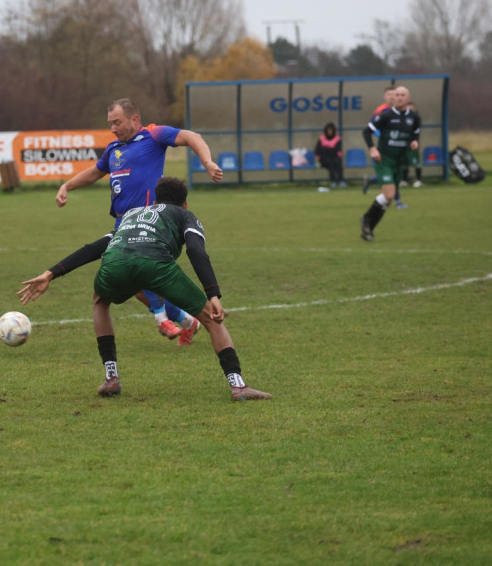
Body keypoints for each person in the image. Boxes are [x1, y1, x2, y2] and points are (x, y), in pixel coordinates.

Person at [18, 177, 272, 402]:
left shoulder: (132, 214)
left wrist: (52, 273)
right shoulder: (185, 215)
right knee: (211, 318)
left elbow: (96, 247)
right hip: (156, 265)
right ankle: (238, 386)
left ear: (156, 198)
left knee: (100, 301)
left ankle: (111, 377)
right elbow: (195, 250)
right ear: (184, 203)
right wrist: (213, 294)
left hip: (115, 263)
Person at [54, 98, 223, 346]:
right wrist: (67, 185)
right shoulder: (113, 149)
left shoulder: (153, 135)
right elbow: (95, 172)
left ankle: (163, 319)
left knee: (141, 276)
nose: (113, 128)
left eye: (117, 122)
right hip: (122, 226)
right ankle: (188, 321)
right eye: (110, 123)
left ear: (134, 119)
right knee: (134, 285)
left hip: (151, 225)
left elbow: (191, 137)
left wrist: (207, 161)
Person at [359, 86, 420, 242]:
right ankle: (366, 219)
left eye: (402, 95)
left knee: (388, 199)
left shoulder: (414, 117)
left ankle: (368, 228)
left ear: (408, 98)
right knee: (389, 195)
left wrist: (414, 142)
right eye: (397, 95)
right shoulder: (385, 116)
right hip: (384, 160)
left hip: (399, 162)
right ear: (393, 98)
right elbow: (367, 132)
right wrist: (372, 149)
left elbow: (414, 133)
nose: (399, 97)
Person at [362, 85, 407, 208]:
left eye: (395, 94)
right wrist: (383, 135)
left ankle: (372, 180)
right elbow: (371, 128)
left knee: (395, 175)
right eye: (389, 94)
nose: (392, 97)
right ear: (385, 96)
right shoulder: (381, 110)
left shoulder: (403, 111)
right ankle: (397, 202)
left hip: (398, 149)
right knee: (390, 176)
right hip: (385, 149)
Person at [400, 102, 424, 189]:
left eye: (411, 108)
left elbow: (417, 131)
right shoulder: (402, 118)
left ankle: (418, 180)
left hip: (412, 144)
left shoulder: (416, 118)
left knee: (415, 162)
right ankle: (404, 180)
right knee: (404, 163)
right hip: (403, 145)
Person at [314, 122, 345, 187]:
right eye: (328, 130)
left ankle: (341, 181)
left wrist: (326, 148)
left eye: (331, 130)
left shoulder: (337, 139)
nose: (330, 132)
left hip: (334, 157)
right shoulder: (321, 138)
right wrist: (330, 149)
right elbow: (317, 150)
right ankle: (333, 181)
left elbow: (337, 150)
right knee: (331, 163)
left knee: (338, 162)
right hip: (324, 159)